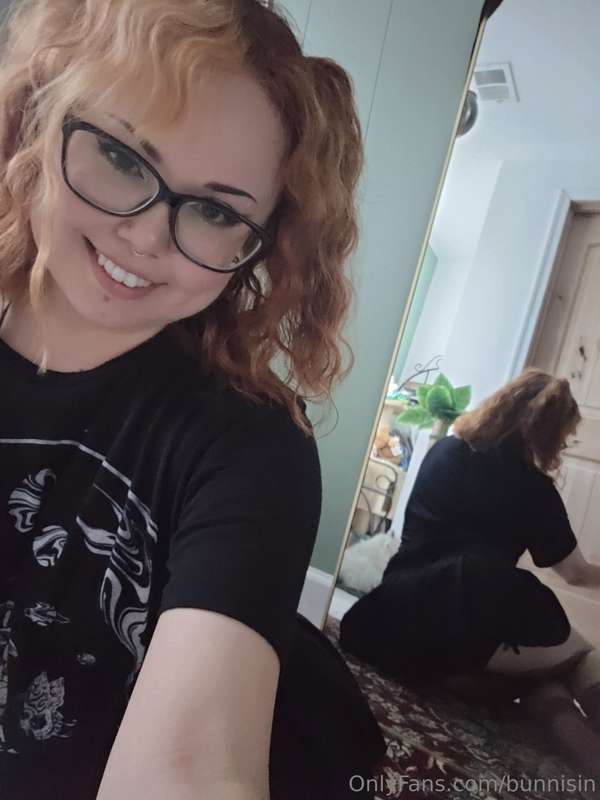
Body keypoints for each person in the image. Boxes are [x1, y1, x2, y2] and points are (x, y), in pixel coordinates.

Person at [0, 1, 386, 797]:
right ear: (40, 118)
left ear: (259, 247)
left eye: (215, 211)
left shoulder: (253, 449)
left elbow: (189, 772)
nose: (146, 236)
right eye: (121, 156)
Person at [340, 369, 600, 779]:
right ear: (548, 434)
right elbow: (575, 574)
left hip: (396, 613)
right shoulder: (534, 489)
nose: (564, 446)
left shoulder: (444, 450)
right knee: (584, 657)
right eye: (564, 438)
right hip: (469, 614)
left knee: (541, 680)